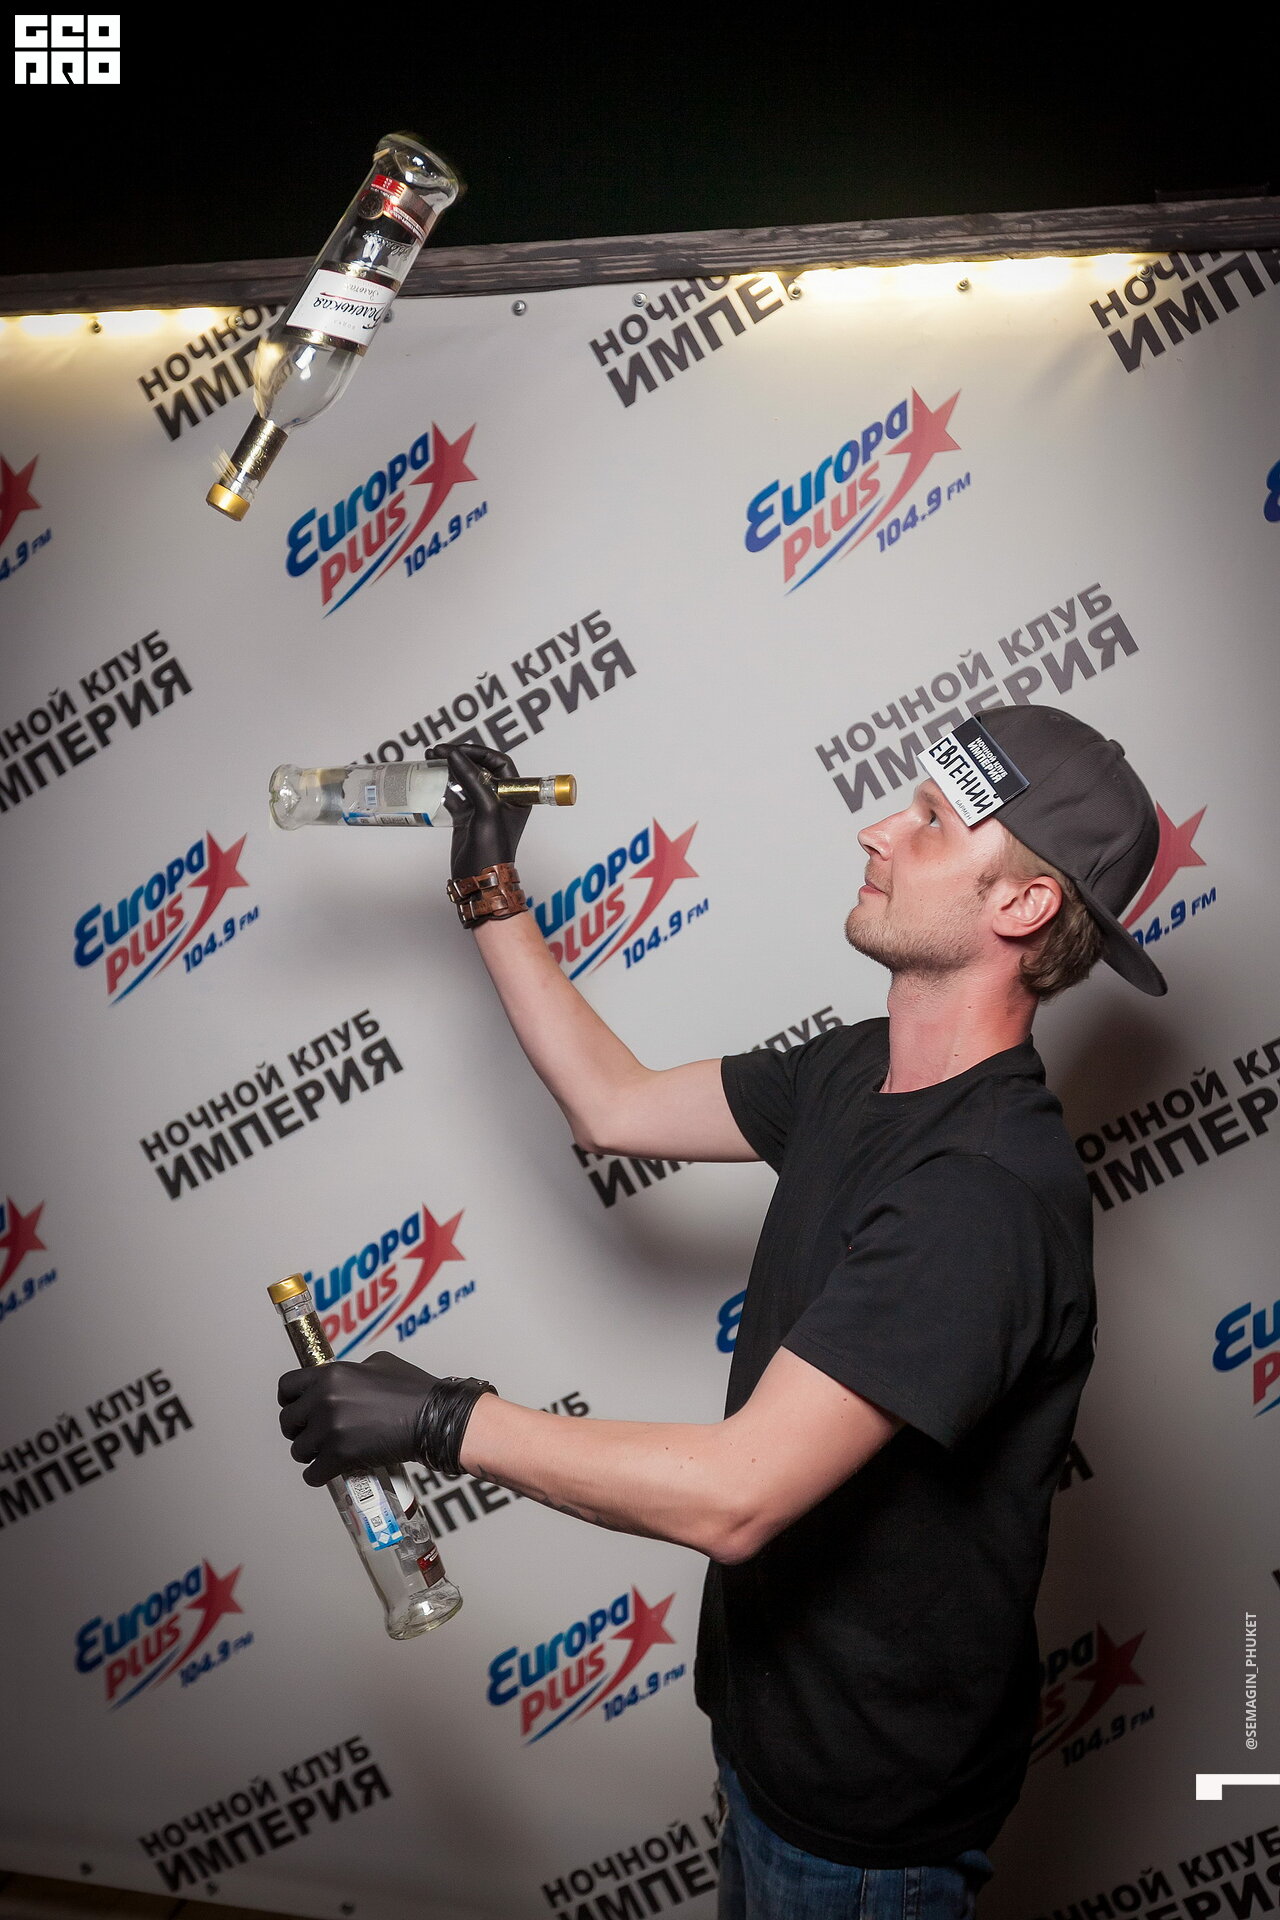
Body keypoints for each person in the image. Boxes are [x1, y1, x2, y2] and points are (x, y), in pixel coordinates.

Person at [277, 703, 1166, 1919]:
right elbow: (614, 1105)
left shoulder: (981, 1196)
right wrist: (488, 886)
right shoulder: (856, 1070)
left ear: (1021, 904)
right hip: (766, 1734)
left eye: (927, 820)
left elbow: (734, 1496)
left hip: (864, 1827)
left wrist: (442, 1421)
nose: (875, 829)